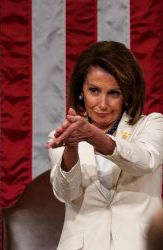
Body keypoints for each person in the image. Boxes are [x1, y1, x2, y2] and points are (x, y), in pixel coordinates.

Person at [46, 41, 163, 250]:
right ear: (81, 91)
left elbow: (144, 161)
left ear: (127, 94)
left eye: (113, 93)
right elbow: (66, 193)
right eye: (94, 90)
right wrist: (71, 147)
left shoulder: (152, 125)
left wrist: (93, 136)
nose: (102, 104)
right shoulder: (64, 134)